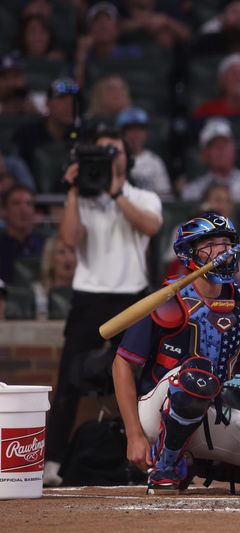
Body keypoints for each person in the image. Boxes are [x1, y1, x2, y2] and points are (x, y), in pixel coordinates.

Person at [112, 212, 240, 494]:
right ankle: (166, 467)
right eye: (209, 245)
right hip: (156, 412)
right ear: (188, 253)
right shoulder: (167, 299)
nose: (221, 251)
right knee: (196, 374)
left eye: (225, 243)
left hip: (213, 412)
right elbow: (121, 364)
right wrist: (134, 435)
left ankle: (199, 465)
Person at [43, 127, 163, 487]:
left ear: (127, 158)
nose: (109, 157)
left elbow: (151, 226)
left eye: (115, 151)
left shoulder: (143, 196)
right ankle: (52, 462)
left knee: (144, 380)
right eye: (102, 151)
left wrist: (116, 193)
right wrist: (73, 190)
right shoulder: (82, 198)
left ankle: (148, 457)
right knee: (68, 382)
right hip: (89, 297)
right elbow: (68, 239)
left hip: (133, 298)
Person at [182, 118, 240, 201]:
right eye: (214, 145)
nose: (220, 150)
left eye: (225, 144)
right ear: (205, 154)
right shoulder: (193, 191)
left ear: (234, 150)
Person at [117, 107, 171, 196]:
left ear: (146, 133)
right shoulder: (116, 159)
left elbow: (165, 195)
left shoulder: (154, 161)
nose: (136, 135)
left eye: (140, 130)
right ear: (122, 133)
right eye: (131, 130)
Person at [0, 184, 47, 284]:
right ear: (3, 211)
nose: (23, 209)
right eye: (16, 203)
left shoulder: (46, 245)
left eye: (29, 204)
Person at [32, 234, 76, 319]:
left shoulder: (84, 293)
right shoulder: (37, 292)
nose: (69, 258)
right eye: (61, 252)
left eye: (72, 251)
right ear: (50, 259)